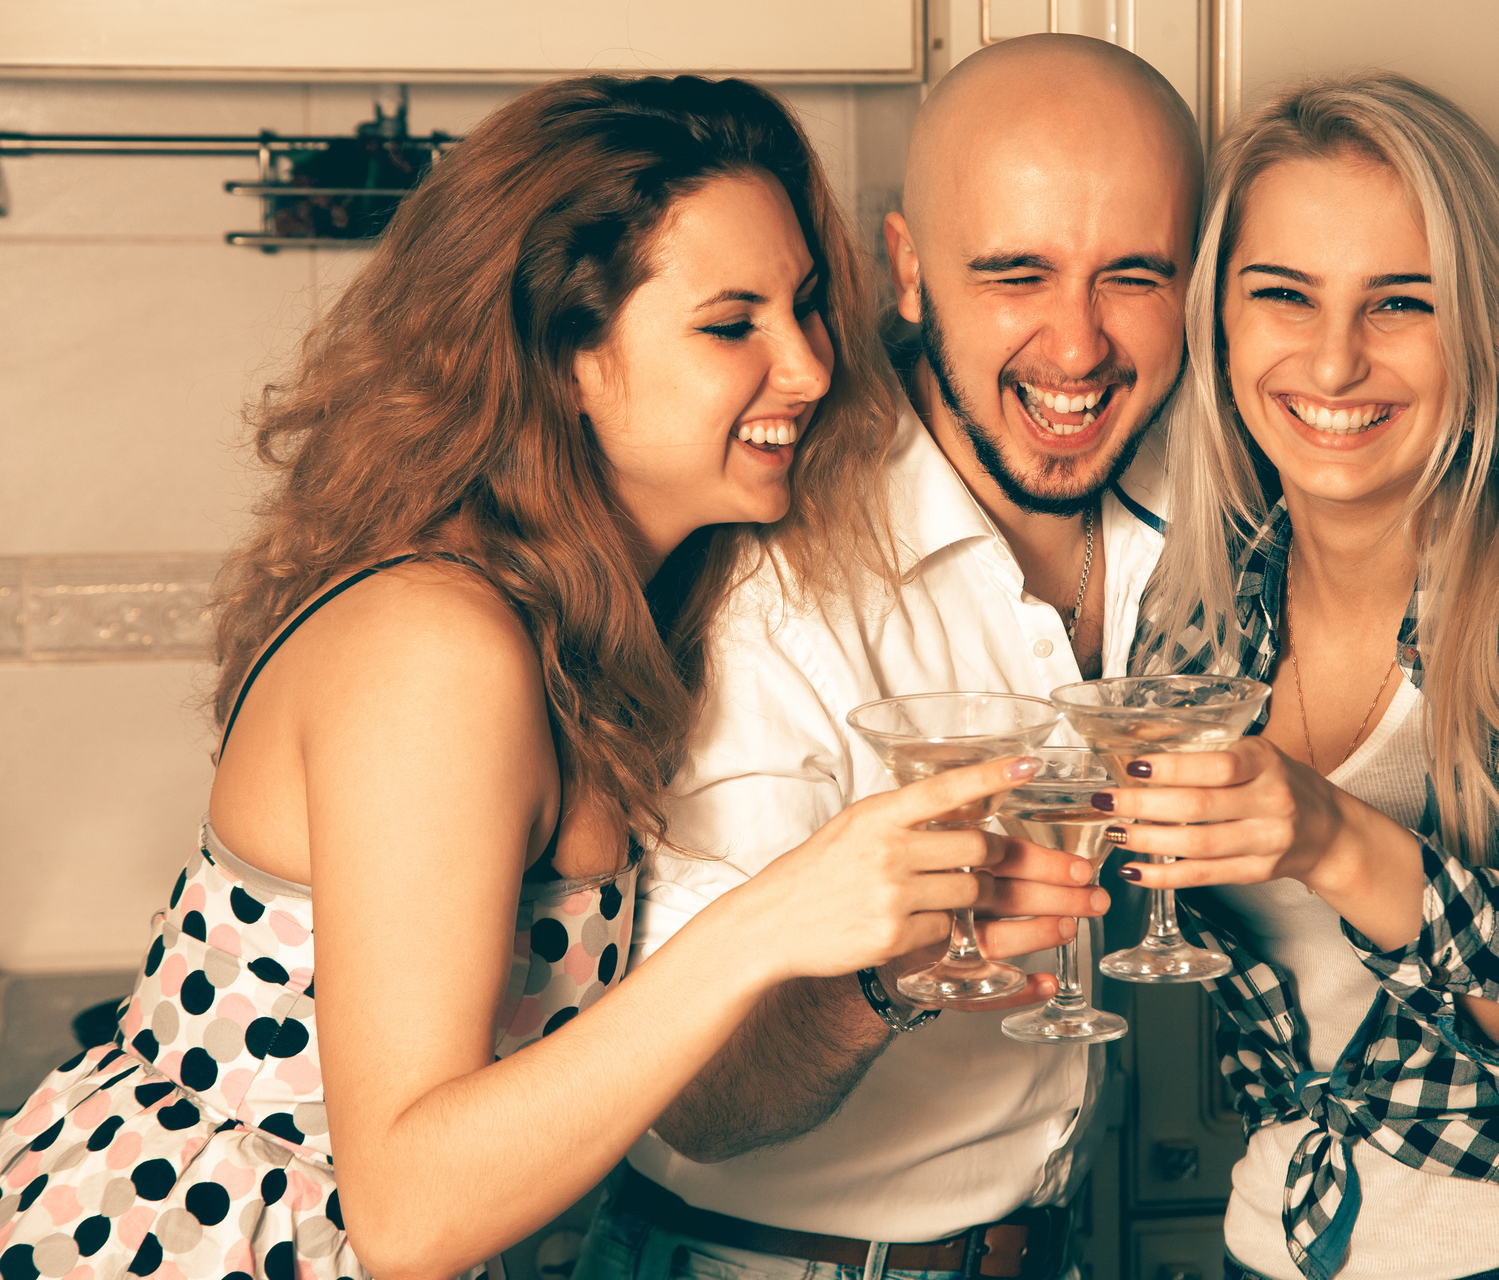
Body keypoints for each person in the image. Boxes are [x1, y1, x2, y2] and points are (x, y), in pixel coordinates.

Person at [0, 75, 1088, 1280]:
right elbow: (410, 1212)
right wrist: (775, 919)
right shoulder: (441, 644)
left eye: (809, 306)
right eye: (734, 325)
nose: (811, 366)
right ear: (567, 357)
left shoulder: (589, 626)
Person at [576, 34, 1203, 1280]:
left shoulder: (1208, 526)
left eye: (1132, 274)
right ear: (908, 271)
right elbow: (696, 1097)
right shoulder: (776, 580)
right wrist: (900, 974)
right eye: (1015, 273)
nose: (1076, 349)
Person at [1112, 73, 1499, 1280]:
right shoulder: (1197, 604)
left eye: (1400, 302)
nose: (1334, 363)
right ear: (1218, 320)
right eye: (1283, 294)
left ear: (1475, 324)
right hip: (1267, 1242)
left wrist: (1333, 834)